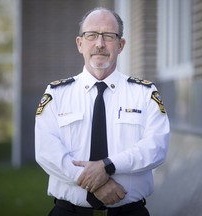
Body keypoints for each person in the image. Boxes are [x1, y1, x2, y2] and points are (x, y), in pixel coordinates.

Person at [35, 7, 170, 216]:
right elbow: (47, 151)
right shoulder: (57, 94)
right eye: (91, 35)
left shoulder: (144, 93)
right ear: (80, 44)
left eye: (108, 36)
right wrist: (95, 183)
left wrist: (107, 167)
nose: (99, 44)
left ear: (121, 45)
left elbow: (156, 147)